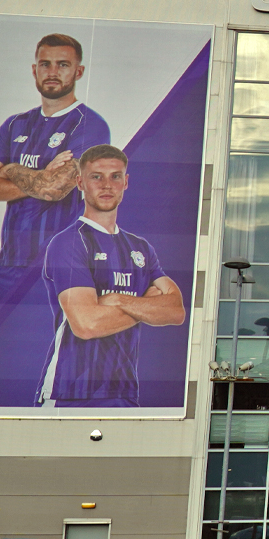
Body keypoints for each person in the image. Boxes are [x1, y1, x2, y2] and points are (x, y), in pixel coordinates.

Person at [38, 144, 183, 407]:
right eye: (97, 177)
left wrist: (117, 299)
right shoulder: (69, 243)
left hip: (125, 392)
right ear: (81, 182)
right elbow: (87, 325)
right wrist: (146, 304)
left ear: (126, 182)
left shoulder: (141, 248)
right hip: (71, 392)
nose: (107, 185)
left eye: (115, 176)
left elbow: (175, 310)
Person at [0, 34, 110, 309]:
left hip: (57, 267)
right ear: (34, 70)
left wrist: (10, 170)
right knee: (2, 348)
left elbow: (55, 189)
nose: (52, 72)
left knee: (51, 349)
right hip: (9, 266)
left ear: (78, 71)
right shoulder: (14, 125)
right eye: (45, 64)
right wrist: (41, 175)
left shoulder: (89, 125)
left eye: (63, 65)